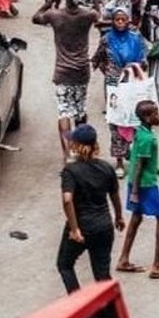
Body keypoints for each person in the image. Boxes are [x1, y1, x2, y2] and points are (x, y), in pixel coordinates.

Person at [57, 124, 124, 293]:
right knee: (102, 275)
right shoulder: (107, 167)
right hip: (103, 226)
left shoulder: (70, 171)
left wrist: (74, 229)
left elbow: (67, 200)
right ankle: (110, 313)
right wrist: (119, 217)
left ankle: (78, 302)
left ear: (76, 146)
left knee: (65, 264)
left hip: (83, 225)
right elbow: (114, 195)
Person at [33, 0, 99, 160]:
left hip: (62, 72)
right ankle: (83, 152)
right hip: (82, 71)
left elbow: (35, 17)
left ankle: (68, 154)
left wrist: (51, 0)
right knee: (80, 112)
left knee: (64, 112)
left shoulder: (54, 15)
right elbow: (99, 15)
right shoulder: (88, 15)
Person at [116, 99, 159, 278]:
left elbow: (145, 161)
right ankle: (157, 265)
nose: (158, 116)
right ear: (147, 117)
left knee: (136, 218)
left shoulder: (141, 133)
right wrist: (135, 192)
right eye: (155, 113)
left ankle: (123, 259)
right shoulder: (147, 138)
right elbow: (141, 165)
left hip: (138, 182)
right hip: (144, 185)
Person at [99, 7, 149, 175]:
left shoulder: (136, 39)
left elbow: (144, 60)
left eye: (123, 20)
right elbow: (98, 59)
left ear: (128, 21)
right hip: (114, 86)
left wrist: (134, 67)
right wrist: (110, 74)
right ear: (112, 21)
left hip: (133, 83)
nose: (120, 23)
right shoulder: (107, 39)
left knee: (135, 120)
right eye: (117, 20)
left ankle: (134, 156)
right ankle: (119, 161)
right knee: (116, 121)